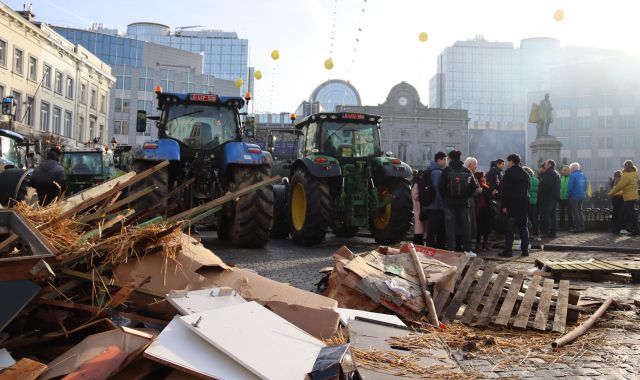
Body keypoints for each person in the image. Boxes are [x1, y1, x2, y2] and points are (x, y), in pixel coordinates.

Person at [438, 150, 478, 257]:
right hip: (464, 203)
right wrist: (466, 196)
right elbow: (474, 187)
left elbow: (440, 187)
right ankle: (468, 250)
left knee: (450, 227)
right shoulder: (466, 170)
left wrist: (445, 199)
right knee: (466, 227)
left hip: (449, 204)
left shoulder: (446, 170)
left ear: (450, 158)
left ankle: (451, 250)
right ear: (460, 158)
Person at [500, 154, 530, 257]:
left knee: (510, 230)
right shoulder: (525, 173)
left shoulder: (509, 173)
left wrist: (504, 205)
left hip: (512, 205)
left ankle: (508, 251)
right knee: (523, 228)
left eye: (508, 161)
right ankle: (525, 250)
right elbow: (528, 189)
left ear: (511, 161)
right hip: (523, 205)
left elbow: (505, 191)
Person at [421, 152, 447, 249]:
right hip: (436, 206)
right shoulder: (437, 172)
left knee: (431, 229)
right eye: (444, 160)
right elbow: (438, 189)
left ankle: (430, 248)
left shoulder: (429, 170)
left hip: (429, 205)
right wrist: (442, 204)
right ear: (439, 160)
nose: (445, 162)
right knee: (438, 229)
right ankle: (435, 249)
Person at [608, 160, 639, 235]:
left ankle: (636, 231)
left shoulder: (626, 175)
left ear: (625, 167)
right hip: (633, 195)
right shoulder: (635, 174)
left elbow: (619, 186)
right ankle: (617, 229)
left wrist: (610, 193)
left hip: (628, 197)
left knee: (630, 215)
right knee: (625, 214)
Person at [473, 171, 495, 252]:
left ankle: (484, 244)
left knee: (486, 228)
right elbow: (488, 196)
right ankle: (479, 245)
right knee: (481, 228)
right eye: (483, 177)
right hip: (481, 210)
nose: (484, 178)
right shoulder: (479, 186)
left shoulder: (485, 185)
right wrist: (490, 194)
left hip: (485, 210)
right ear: (479, 178)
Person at [539, 159, 561, 238]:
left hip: (548, 197)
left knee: (545, 215)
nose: (544, 165)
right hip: (554, 197)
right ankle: (553, 232)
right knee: (552, 215)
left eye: (546, 164)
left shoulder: (549, 173)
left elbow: (546, 186)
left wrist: (540, 193)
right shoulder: (555, 173)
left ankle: (545, 232)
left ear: (550, 165)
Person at [464, 157, 481, 245]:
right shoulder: (467, 173)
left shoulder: (471, 173)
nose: (476, 167)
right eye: (475, 164)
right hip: (468, 200)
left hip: (471, 200)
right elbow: (470, 188)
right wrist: (477, 190)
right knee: (469, 223)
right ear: (470, 165)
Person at [567, 162, 587, 233]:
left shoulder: (572, 175)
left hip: (574, 196)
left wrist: (569, 194)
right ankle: (582, 227)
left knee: (575, 212)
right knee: (580, 211)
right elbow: (585, 187)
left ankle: (577, 228)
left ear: (573, 168)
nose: (570, 170)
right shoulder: (583, 175)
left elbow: (570, 187)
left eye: (570, 168)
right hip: (581, 195)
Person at [524, 166, 541, 241]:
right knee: (533, 218)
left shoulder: (525, 179)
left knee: (526, 218)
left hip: (527, 200)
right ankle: (536, 234)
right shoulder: (536, 180)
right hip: (534, 201)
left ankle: (528, 233)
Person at [411, 169, 424, 245]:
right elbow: (415, 196)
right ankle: (417, 242)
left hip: (417, 207)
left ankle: (418, 241)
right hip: (417, 207)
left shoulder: (415, 183)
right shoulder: (416, 184)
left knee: (419, 227)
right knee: (419, 227)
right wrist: (422, 195)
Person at [558, 165, 572, 230]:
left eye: (565, 170)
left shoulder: (571, 178)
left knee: (570, 213)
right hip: (561, 198)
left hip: (569, 198)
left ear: (569, 171)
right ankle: (561, 226)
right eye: (563, 170)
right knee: (561, 213)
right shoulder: (561, 178)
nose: (563, 171)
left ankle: (570, 226)